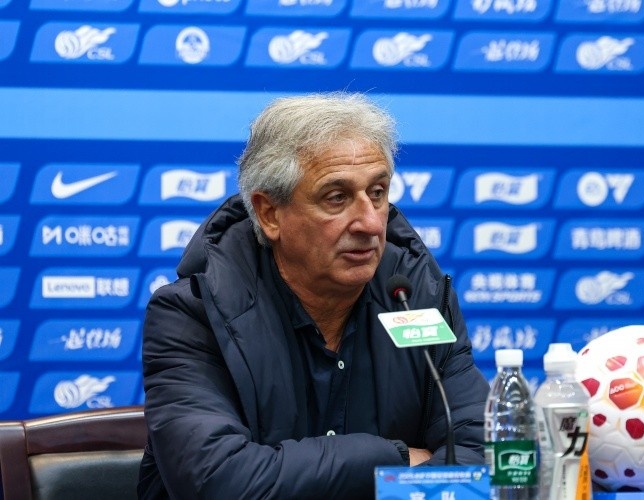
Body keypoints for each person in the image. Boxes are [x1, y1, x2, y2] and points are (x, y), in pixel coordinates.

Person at [138, 92, 489, 499]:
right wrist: (390, 459)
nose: (370, 223)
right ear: (270, 214)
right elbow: (219, 482)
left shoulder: (417, 297)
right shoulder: (194, 314)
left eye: (377, 192)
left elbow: (488, 458)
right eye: (337, 198)